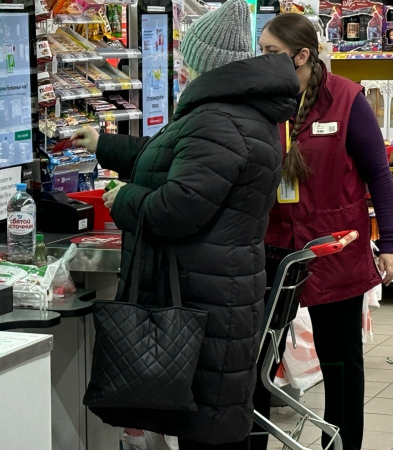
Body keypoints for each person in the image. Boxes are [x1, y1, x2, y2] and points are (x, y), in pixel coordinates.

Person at [70, 1, 300, 448]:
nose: (181, 69)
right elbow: (172, 161)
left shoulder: (218, 120)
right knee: (213, 423)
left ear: (207, 62)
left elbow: (178, 207)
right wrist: (105, 144)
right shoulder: (234, 113)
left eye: (187, 58)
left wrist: (123, 198)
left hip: (204, 300)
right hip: (220, 292)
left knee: (208, 430)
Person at [254, 13, 393, 450]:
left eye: (271, 53)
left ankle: (340, 446)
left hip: (334, 250)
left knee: (340, 365)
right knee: (256, 358)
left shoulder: (346, 99)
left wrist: (391, 244)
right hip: (273, 248)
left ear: (302, 55)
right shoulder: (265, 99)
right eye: (259, 51)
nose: (262, 61)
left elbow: (379, 173)